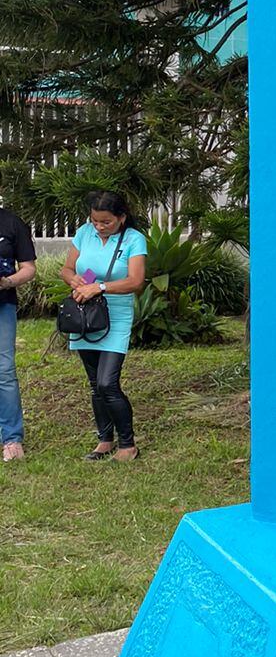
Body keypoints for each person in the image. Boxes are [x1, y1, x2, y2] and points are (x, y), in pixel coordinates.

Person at [60, 192, 148, 461]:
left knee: (107, 383)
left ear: (121, 218)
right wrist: (76, 281)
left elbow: (136, 281)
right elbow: (66, 268)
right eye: (95, 220)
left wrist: (98, 287)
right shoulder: (85, 233)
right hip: (86, 315)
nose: (99, 226)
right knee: (94, 384)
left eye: (106, 222)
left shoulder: (134, 239)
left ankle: (128, 444)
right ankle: (104, 440)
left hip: (116, 315)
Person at [0, 203, 38, 461]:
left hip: (2, 305)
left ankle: (12, 438)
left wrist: (7, 282)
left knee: (4, 371)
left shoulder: (13, 223)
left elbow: (29, 268)